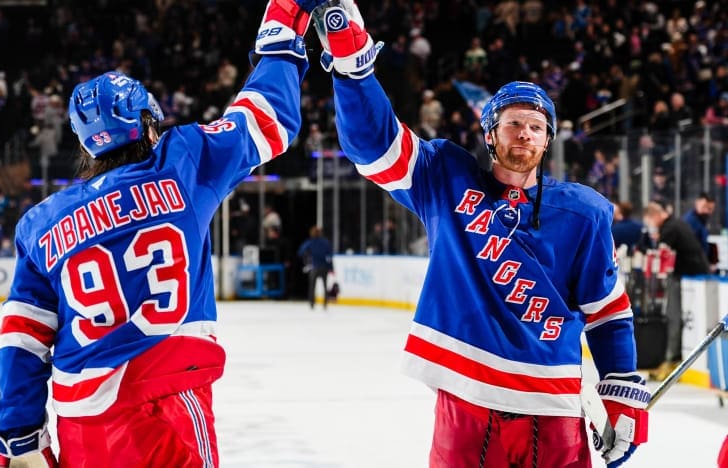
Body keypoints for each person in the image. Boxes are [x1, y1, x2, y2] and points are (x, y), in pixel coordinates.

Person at [0, 1, 324, 466]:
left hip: (82, 426)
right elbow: (268, 118)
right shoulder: (182, 161)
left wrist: (20, 437)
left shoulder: (42, 221)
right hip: (166, 406)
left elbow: (23, 336)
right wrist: (284, 24)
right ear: (147, 123)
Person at [312, 2, 649, 466]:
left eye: (536, 127)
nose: (525, 134)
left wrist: (621, 390)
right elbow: (374, 143)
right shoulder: (445, 177)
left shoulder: (583, 213)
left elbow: (608, 311)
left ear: (547, 140)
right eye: (513, 123)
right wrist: (353, 67)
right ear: (491, 133)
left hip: (554, 411)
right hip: (466, 404)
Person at [642, 201, 710, 381]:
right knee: (675, 316)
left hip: (686, 276)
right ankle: (672, 356)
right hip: (691, 276)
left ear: (655, 216)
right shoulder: (676, 223)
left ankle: (671, 357)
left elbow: (660, 254)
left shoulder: (669, 228)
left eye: (650, 221)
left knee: (674, 316)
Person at [297, 225, 333, 309]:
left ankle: (312, 303)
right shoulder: (325, 242)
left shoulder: (310, 242)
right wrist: (331, 267)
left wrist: (307, 258)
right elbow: (330, 255)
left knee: (312, 286)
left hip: (314, 267)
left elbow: (300, 252)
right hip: (324, 267)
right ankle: (325, 303)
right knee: (324, 286)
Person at [681, 192, 716, 268]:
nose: (707, 211)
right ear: (697, 203)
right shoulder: (689, 221)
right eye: (704, 207)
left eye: (710, 209)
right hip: (692, 267)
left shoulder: (702, 220)